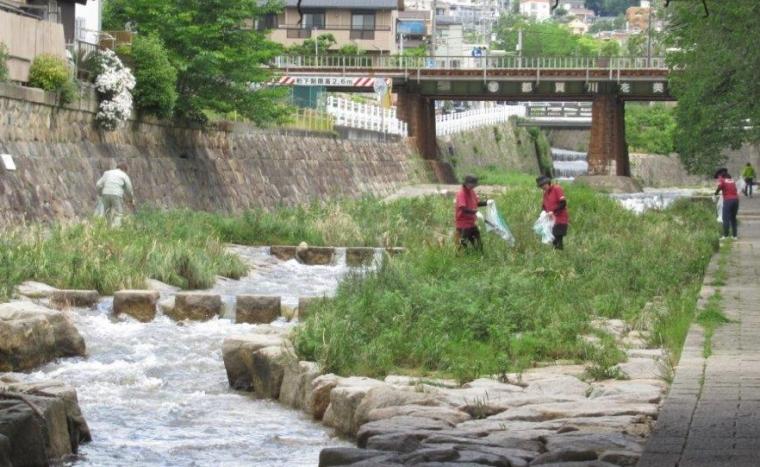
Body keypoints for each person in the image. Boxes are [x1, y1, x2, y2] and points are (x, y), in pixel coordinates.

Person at [455, 174, 489, 250]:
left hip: (471, 222)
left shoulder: (471, 192)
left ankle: (479, 255)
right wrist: (475, 212)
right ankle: (459, 257)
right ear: (467, 183)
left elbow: (476, 203)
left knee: (479, 244)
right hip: (463, 224)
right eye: (473, 184)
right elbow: (463, 208)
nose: (475, 186)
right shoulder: (461, 193)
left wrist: (487, 203)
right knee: (463, 244)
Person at [95, 162, 134, 227]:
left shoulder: (107, 173)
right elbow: (129, 189)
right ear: (124, 170)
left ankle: (105, 228)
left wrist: (100, 194)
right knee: (118, 213)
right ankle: (115, 229)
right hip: (117, 194)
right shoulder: (124, 175)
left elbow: (98, 184)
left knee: (106, 212)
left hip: (105, 193)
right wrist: (130, 199)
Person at [537, 175, 569, 250]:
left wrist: (553, 211)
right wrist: (543, 214)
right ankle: (557, 256)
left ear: (548, 183)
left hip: (560, 219)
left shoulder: (556, 189)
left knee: (557, 239)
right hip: (551, 221)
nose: (543, 187)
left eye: (543, 184)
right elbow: (544, 207)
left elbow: (563, 203)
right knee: (554, 240)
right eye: (541, 186)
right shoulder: (545, 194)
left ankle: (559, 256)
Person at [715, 171, 739, 240]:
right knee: (733, 218)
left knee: (725, 218)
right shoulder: (732, 181)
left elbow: (719, 187)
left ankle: (725, 236)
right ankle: (735, 236)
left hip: (728, 201)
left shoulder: (723, 180)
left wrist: (715, 194)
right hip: (736, 200)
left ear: (723, 176)